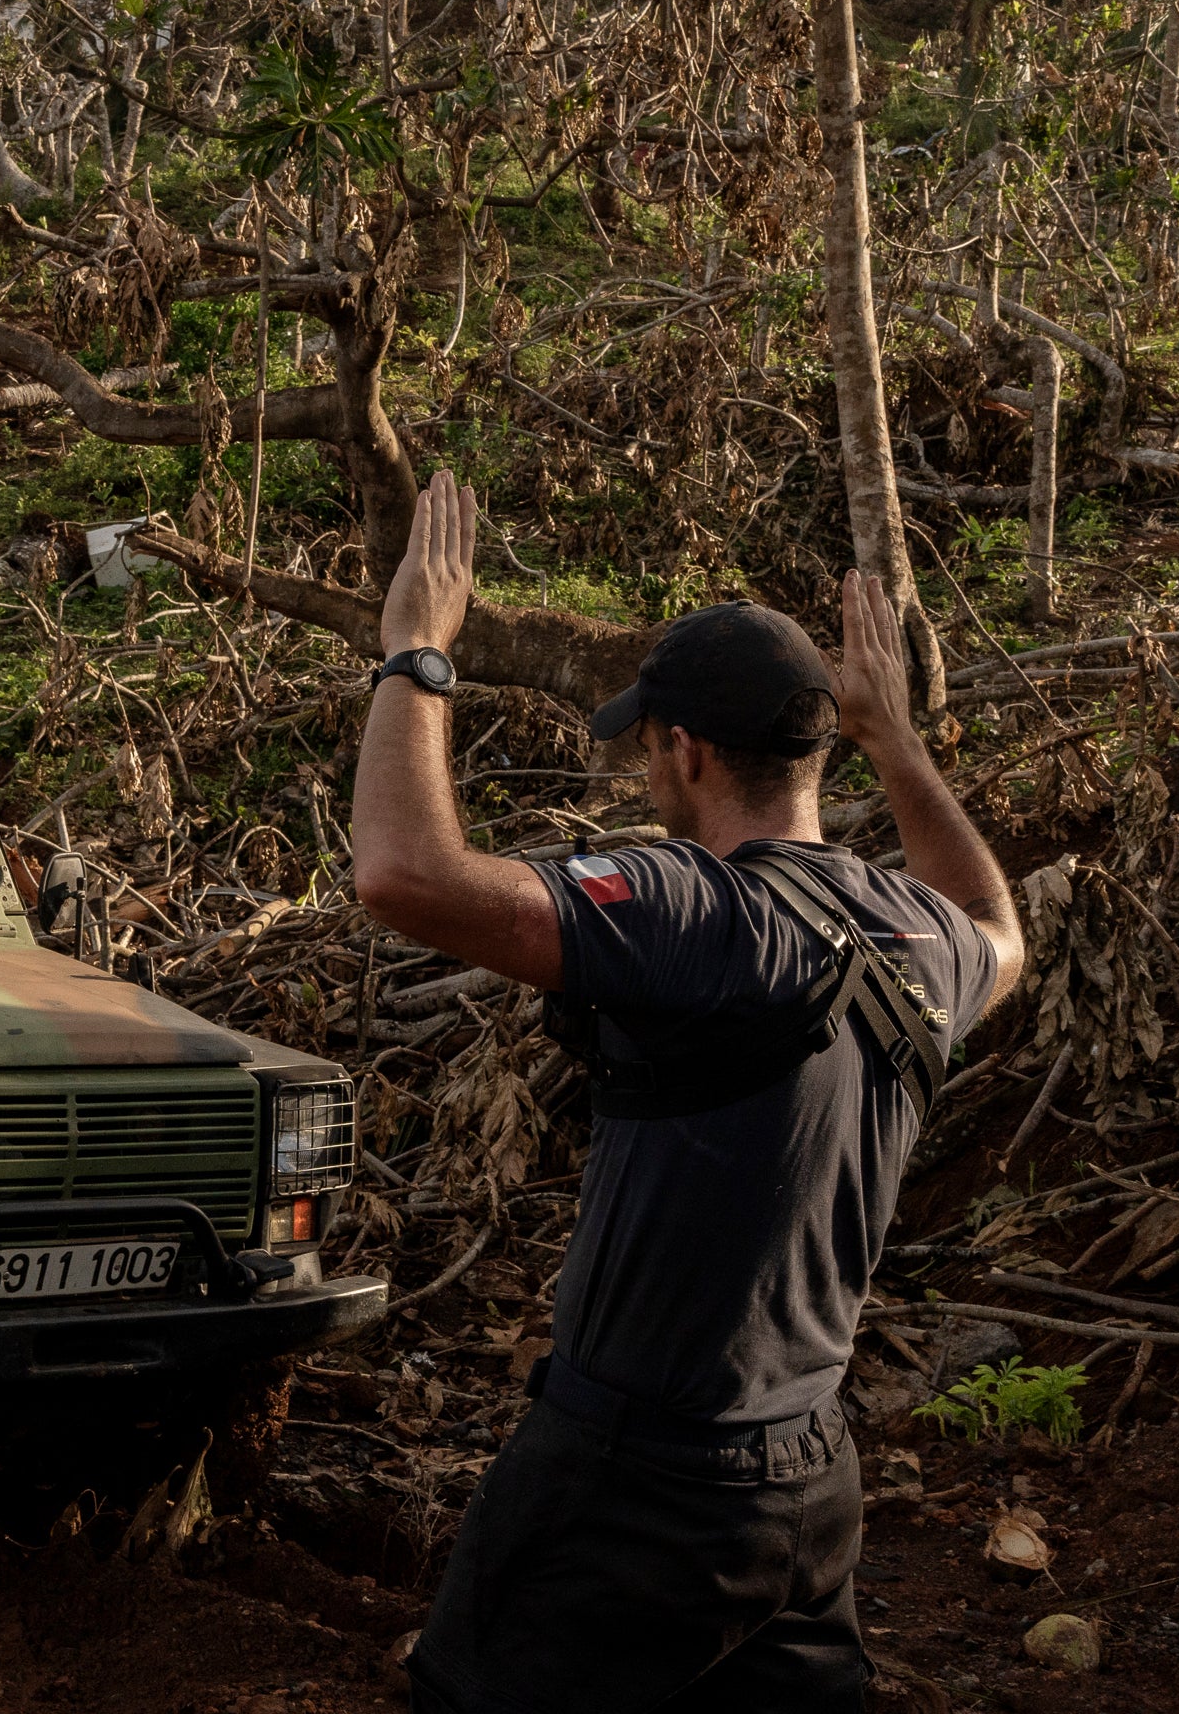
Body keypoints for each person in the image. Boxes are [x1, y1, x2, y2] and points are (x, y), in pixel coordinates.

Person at [350, 475, 1024, 1714]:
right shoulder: (920, 937)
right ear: (818, 744)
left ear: (686, 750)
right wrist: (901, 742)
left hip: (637, 1484)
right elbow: (1002, 925)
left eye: (649, 743)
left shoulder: (700, 910)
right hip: (809, 1481)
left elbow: (402, 873)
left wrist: (416, 656)